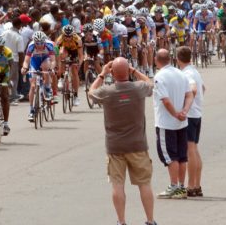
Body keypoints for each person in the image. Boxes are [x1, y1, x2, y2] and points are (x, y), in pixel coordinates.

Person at [88, 57, 156, 225]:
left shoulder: (107, 91)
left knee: (117, 185)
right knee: (144, 184)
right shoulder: (138, 88)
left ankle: (121, 221)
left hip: (115, 146)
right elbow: (149, 82)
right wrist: (133, 70)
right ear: (127, 71)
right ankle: (150, 220)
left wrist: (102, 74)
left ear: (113, 73)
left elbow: (91, 92)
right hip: (138, 145)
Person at [153, 49, 194, 200]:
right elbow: (189, 95)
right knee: (182, 157)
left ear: (156, 60)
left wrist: (176, 113)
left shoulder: (159, 77)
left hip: (166, 123)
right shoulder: (180, 73)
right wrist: (184, 111)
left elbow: (166, 100)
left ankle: (174, 186)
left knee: (171, 157)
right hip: (181, 123)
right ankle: (181, 187)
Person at [175, 46, 206, 197]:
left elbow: (193, 88)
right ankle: (197, 184)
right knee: (194, 149)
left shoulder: (186, 74)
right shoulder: (194, 71)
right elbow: (203, 88)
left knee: (190, 150)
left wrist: (186, 106)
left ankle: (191, 185)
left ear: (178, 59)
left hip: (191, 114)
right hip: (197, 113)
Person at [21, 31, 55, 122]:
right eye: (37, 43)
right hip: (34, 61)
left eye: (41, 43)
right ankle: (31, 110)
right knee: (32, 86)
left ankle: (47, 88)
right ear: (34, 42)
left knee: (45, 68)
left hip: (45, 59)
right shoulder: (31, 46)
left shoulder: (49, 45)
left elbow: (52, 61)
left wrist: (51, 69)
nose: (39, 45)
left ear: (44, 41)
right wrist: (24, 67)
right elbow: (26, 61)